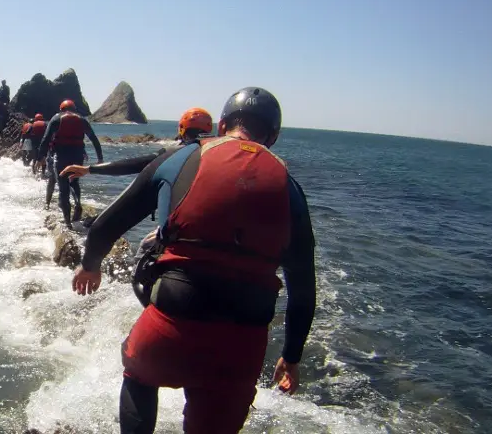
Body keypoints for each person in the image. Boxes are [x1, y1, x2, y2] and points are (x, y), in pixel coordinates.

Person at [69, 87, 316, 434]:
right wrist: (291, 357)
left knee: (139, 376)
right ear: (273, 136)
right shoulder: (290, 189)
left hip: (172, 321)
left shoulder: (181, 158)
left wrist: (90, 265)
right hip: (242, 343)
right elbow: (303, 288)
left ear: (223, 123)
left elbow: (107, 224)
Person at [59, 107, 214, 181]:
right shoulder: (223, 149)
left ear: (181, 129)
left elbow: (135, 164)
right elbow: (93, 138)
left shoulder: (174, 152)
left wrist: (89, 169)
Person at [37, 99, 103, 227]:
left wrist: (41, 157)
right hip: (78, 156)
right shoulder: (82, 119)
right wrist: (100, 158)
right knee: (74, 181)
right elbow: (94, 138)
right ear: (74, 109)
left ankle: (67, 223)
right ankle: (78, 203)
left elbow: (46, 139)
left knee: (63, 189)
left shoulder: (56, 118)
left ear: (61, 109)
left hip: (61, 156)